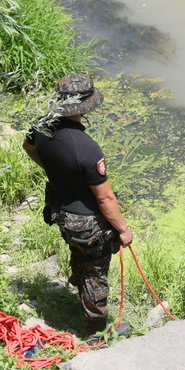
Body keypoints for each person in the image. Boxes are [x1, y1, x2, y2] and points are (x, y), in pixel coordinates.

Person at [22, 73, 134, 338]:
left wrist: (55, 170)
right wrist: (124, 230)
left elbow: (28, 147)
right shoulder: (87, 148)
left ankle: (83, 297)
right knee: (95, 271)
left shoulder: (41, 126)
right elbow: (106, 199)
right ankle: (97, 332)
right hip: (87, 221)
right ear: (85, 106)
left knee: (82, 258)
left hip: (61, 211)